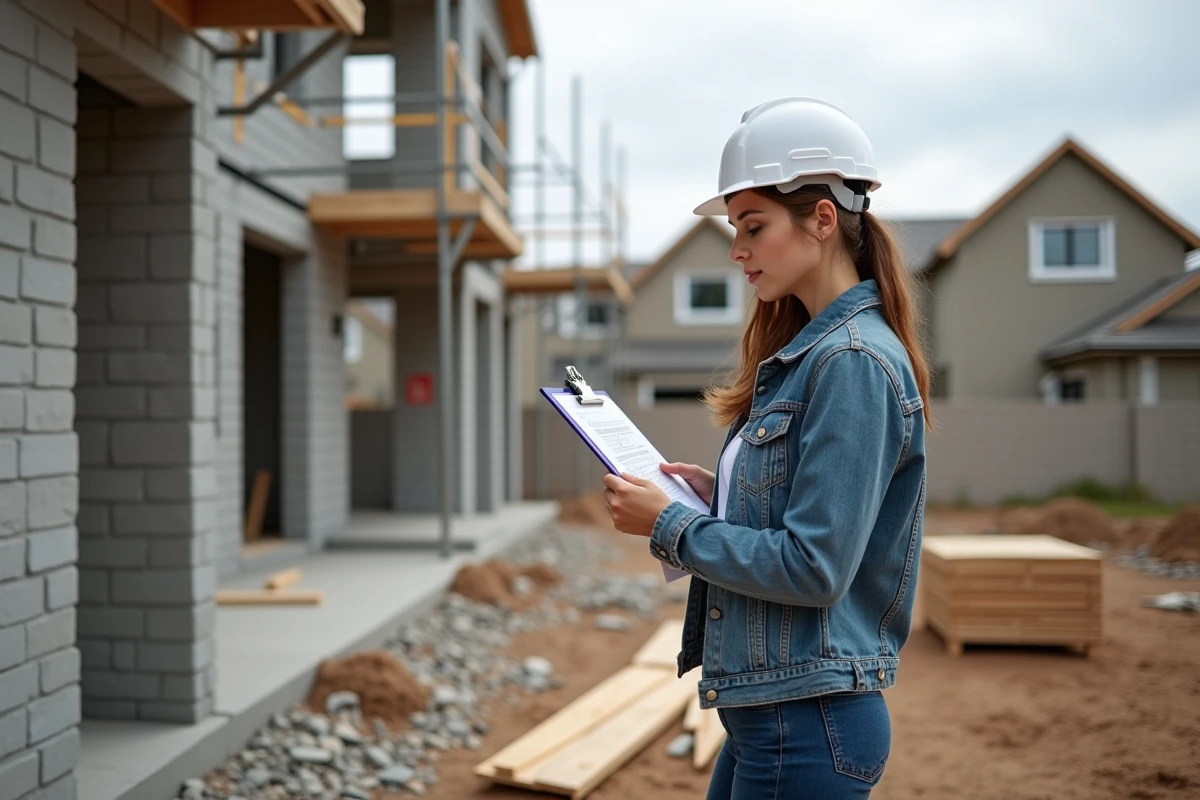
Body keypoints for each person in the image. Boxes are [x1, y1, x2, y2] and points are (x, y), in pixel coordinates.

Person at [601, 97, 930, 799]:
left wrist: (670, 524)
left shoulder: (850, 363)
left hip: (808, 721)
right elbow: (802, 516)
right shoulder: (811, 355)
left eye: (753, 225)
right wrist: (713, 496)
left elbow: (816, 566)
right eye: (734, 227)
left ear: (822, 219)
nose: (736, 247)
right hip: (777, 714)